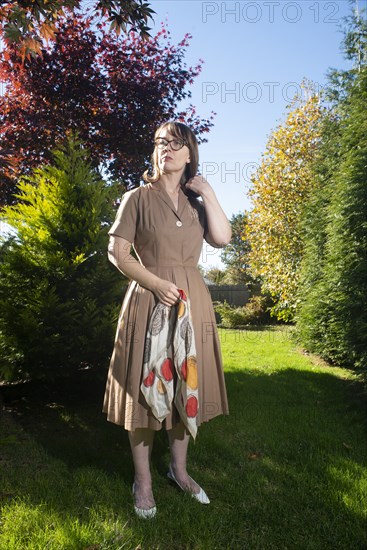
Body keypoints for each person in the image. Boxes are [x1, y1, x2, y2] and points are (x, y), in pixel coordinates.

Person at [103, 121, 231, 519]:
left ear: (189, 154)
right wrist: (156, 283)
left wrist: (207, 191)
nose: (166, 150)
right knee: (145, 394)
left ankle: (179, 469)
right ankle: (143, 481)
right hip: (150, 299)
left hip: (192, 303)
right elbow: (118, 253)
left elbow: (223, 238)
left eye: (175, 144)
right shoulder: (137, 198)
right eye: (160, 143)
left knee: (185, 387)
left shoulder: (195, 205)